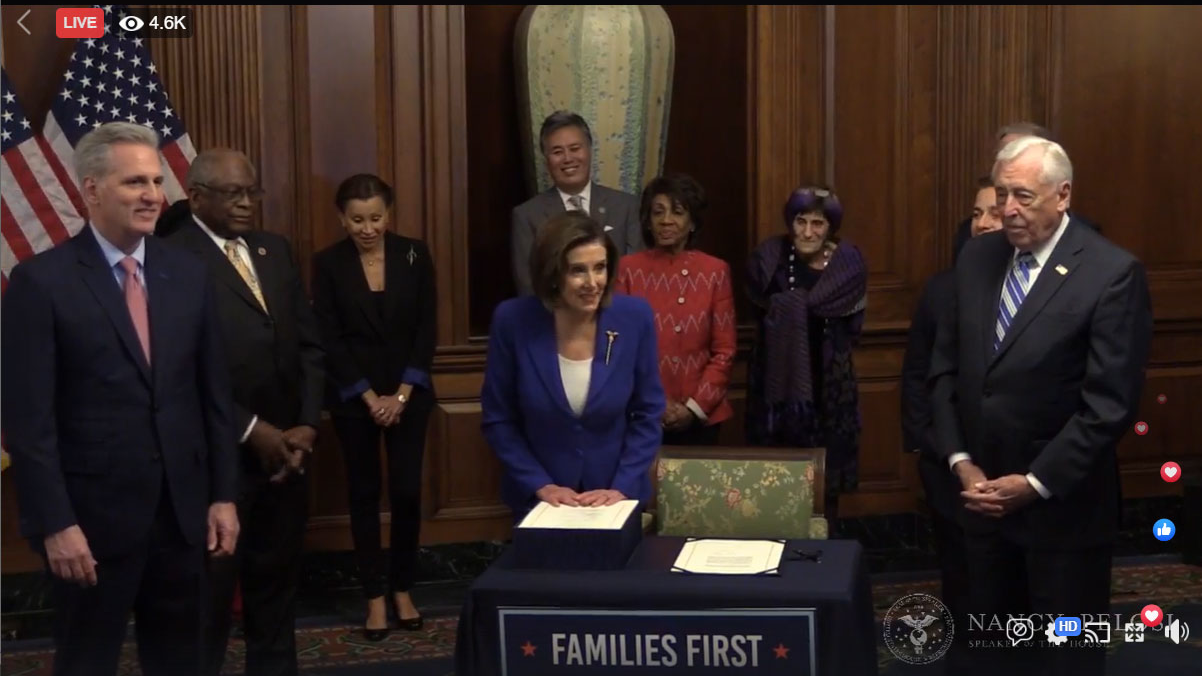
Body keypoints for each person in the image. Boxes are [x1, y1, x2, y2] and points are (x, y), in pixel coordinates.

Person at [0, 122, 240, 676]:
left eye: (156, 181)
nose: (153, 195)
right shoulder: (42, 282)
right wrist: (56, 524)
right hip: (89, 527)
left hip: (182, 517)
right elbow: (29, 423)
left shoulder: (189, 274)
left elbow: (213, 396)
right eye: (135, 182)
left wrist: (224, 495)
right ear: (91, 190)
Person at [929, 137, 1152, 676]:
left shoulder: (1111, 273)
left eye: (1023, 196)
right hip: (981, 508)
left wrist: (1033, 483)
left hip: (1063, 518)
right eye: (1001, 194)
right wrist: (961, 461)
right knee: (984, 657)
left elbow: (1109, 404)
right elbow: (945, 371)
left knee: (1062, 661)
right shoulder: (977, 257)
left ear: (1063, 194)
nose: (1007, 209)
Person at [165, 149, 325, 676]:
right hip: (217, 460)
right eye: (233, 193)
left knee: (276, 589)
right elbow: (177, 369)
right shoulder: (170, 257)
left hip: (288, 456)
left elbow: (309, 345)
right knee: (208, 599)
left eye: (251, 191)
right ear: (196, 197)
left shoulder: (273, 249)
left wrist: (306, 423)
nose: (246, 203)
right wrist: (252, 430)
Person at [311, 174, 436, 640]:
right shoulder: (328, 264)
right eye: (358, 220)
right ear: (342, 219)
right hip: (353, 400)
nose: (368, 229)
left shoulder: (414, 254)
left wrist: (400, 395)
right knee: (363, 494)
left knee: (406, 493)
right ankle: (374, 598)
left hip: (410, 396)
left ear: (389, 215)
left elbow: (426, 327)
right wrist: (369, 397)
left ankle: (403, 589)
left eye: (376, 218)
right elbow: (329, 337)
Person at [482, 211, 664, 518]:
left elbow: (648, 413)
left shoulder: (634, 317)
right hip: (542, 500)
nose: (593, 283)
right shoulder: (513, 321)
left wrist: (620, 487)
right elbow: (498, 419)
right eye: (578, 271)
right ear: (552, 274)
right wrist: (540, 485)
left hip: (615, 497)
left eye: (600, 268)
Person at [900, 175, 1001, 668]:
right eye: (977, 213)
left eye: (994, 213)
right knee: (959, 574)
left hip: (1013, 464)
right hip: (947, 458)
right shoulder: (942, 288)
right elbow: (918, 372)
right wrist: (928, 444)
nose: (982, 223)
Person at [744, 186, 867, 519]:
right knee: (773, 481)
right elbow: (756, 309)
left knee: (825, 486)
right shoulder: (768, 260)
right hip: (775, 386)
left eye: (818, 223)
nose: (808, 232)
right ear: (790, 222)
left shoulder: (848, 265)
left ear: (830, 227)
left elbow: (854, 327)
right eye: (801, 221)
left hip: (829, 387)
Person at [616, 174, 735, 445]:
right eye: (658, 212)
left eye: (677, 212)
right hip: (642, 415)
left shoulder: (715, 271)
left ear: (692, 222)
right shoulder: (628, 270)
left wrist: (693, 408)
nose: (666, 220)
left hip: (702, 415)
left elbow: (724, 351)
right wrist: (653, 403)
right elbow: (620, 348)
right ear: (648, 221)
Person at [511, 111, 641, 296]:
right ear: (546, 159)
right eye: (557, 152)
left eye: (575, 148)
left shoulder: (626, 206)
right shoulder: (527, 215)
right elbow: (528, 287)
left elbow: (636, 277)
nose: (568, 158)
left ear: (589, 150)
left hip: (617, 311)